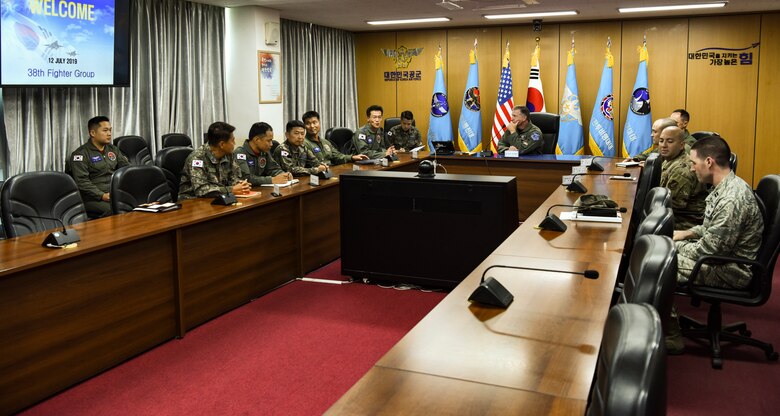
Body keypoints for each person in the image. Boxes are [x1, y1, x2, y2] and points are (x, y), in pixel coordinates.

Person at [667, 136, 763, 354]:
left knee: (661, 266)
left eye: (693, 163)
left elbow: (711, 251)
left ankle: (671, 336)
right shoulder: (725, 186)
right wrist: (685, 233)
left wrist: (672, 248)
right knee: (662, 252)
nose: (691, 169)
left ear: (708, 162)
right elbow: (711, 229)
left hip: (732, 270)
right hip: (721, 258)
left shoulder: (732, 199)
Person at [69, 115, 130, 218]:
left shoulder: (113, 150)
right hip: (93, 198)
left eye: (110, 130)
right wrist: (102, 195)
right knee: (120, 210)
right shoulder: (80, 154)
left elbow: (126, 169)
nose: (109, 134)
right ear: (93, 133)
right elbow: (82, 182)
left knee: (138, 204)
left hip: (114, 193)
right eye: (105, 130)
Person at [178, 121, 251, 200]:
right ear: (222, 144)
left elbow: (234, 178)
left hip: (219, 199)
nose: (235, 143)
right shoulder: (197, 159)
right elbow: (201, 190)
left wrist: (241, 185)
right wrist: (231, 189)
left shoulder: (229, 155)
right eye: (232, 140)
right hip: (192, 202)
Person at [658, 126, 707, 230]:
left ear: (681, 145)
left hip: (685, 221)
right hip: (673, 215)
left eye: (670, 141)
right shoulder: (669, 160)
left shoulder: (681, 170)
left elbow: (671, 204)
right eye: (661, 141)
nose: (664, 145)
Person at [302, 111, 368, 166]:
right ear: (304, 126)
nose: (312, 126)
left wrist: (352, 157)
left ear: (319, 123)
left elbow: (338, 157)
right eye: (308, 123)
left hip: (331, 172)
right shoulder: (303, 143)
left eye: (314, 122)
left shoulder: (325, 142)